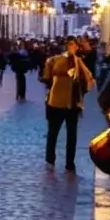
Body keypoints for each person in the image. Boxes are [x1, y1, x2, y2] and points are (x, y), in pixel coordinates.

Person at [42, 37, 94, 171]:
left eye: (74, 44)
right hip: (57, 101)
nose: (71, 47)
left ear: (77, 47)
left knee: (71, 134)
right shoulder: (54, 60)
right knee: (53, 132)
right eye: (69, 44)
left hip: (73, 102)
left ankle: (70, 162)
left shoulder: (80, 61)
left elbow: (88, 78)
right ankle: (50, 158)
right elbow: (47, 79)